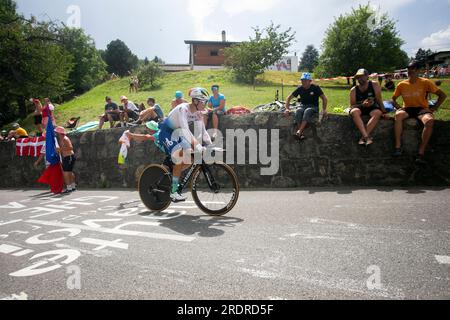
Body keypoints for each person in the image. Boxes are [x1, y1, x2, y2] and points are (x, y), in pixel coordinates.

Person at [157, 87, 212, 202]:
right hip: (167, 132)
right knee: (179, 157)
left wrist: (210, 145)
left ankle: (172, 176)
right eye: (203, 101)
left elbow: (203, 131)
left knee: (190, 159)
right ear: (195, 101)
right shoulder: (183, 109)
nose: (205, 104)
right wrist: (198, 146)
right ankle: (173, 191)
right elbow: (186, 130)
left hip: (178, 132)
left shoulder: (197, 113)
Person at [392, 61, 447, 164]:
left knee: (429, 121)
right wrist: (398, 107)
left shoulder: (426, 82)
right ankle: (398, 147)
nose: (410, 71)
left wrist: (432, 109)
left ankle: (420, 153)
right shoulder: (401, 84)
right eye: (409, 69)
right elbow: (393, 99)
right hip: (408, 109)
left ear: (418, 70)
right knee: (398, 115)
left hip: (421, 109)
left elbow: (442, 95)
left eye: (413, 69)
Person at [285, 72, 328, 140]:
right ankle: (300, 134)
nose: (303, 82)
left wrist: (324, 109)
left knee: (307, 111)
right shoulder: (300, 88)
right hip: (303, 106)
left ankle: (299, 131)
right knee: (298, 111)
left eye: (305, 80)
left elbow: (324, 98)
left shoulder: (316, 88)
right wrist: (287, 109)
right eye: (302, 80)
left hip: (313, 107)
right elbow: (288, 98)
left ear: (310, 81)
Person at [348, 69, 386, 146]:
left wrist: (384, 112)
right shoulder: (353, 90)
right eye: (358, 77)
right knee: (354, 112)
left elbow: (379, 99)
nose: (359, 79)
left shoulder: (374, 85)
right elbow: (352, 106)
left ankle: (363, 138)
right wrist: (362, 105)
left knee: (378, 113)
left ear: (367, 76)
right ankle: (366, 137)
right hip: (360, 108)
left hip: (372, 107)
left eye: (361, 76)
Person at [54, 126, 77, 193]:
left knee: (66, 173)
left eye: (57, 132)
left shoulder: (65, 139)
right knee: (69, 172)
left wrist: (60, 149)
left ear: (59, 133)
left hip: (69, 157)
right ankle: (72, 186)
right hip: (67, 157)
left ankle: (69, 188)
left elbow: (71, 147)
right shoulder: (61, 139)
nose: (56, 133)